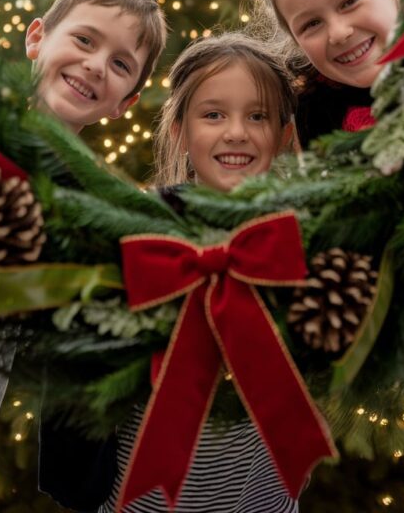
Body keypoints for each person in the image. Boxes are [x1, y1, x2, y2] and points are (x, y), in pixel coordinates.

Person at [0, 0, 167, 513]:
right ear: (37, 36)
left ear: (126, 102)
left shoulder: (94, 219)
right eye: (85, 40)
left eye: (120, 64)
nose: (95, 65)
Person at [98, 32, 299, 513]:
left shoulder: (303, 239)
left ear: (285, 135)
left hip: (263, 499)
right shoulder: (137, 238)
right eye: (213, 115)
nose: (236, 132)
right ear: (179, 132)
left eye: (258, 116)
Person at [253, 0, 404, 148]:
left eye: (349, 2)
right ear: (294, 40)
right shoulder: (311, 118)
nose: (338, 33)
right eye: (312, 24)